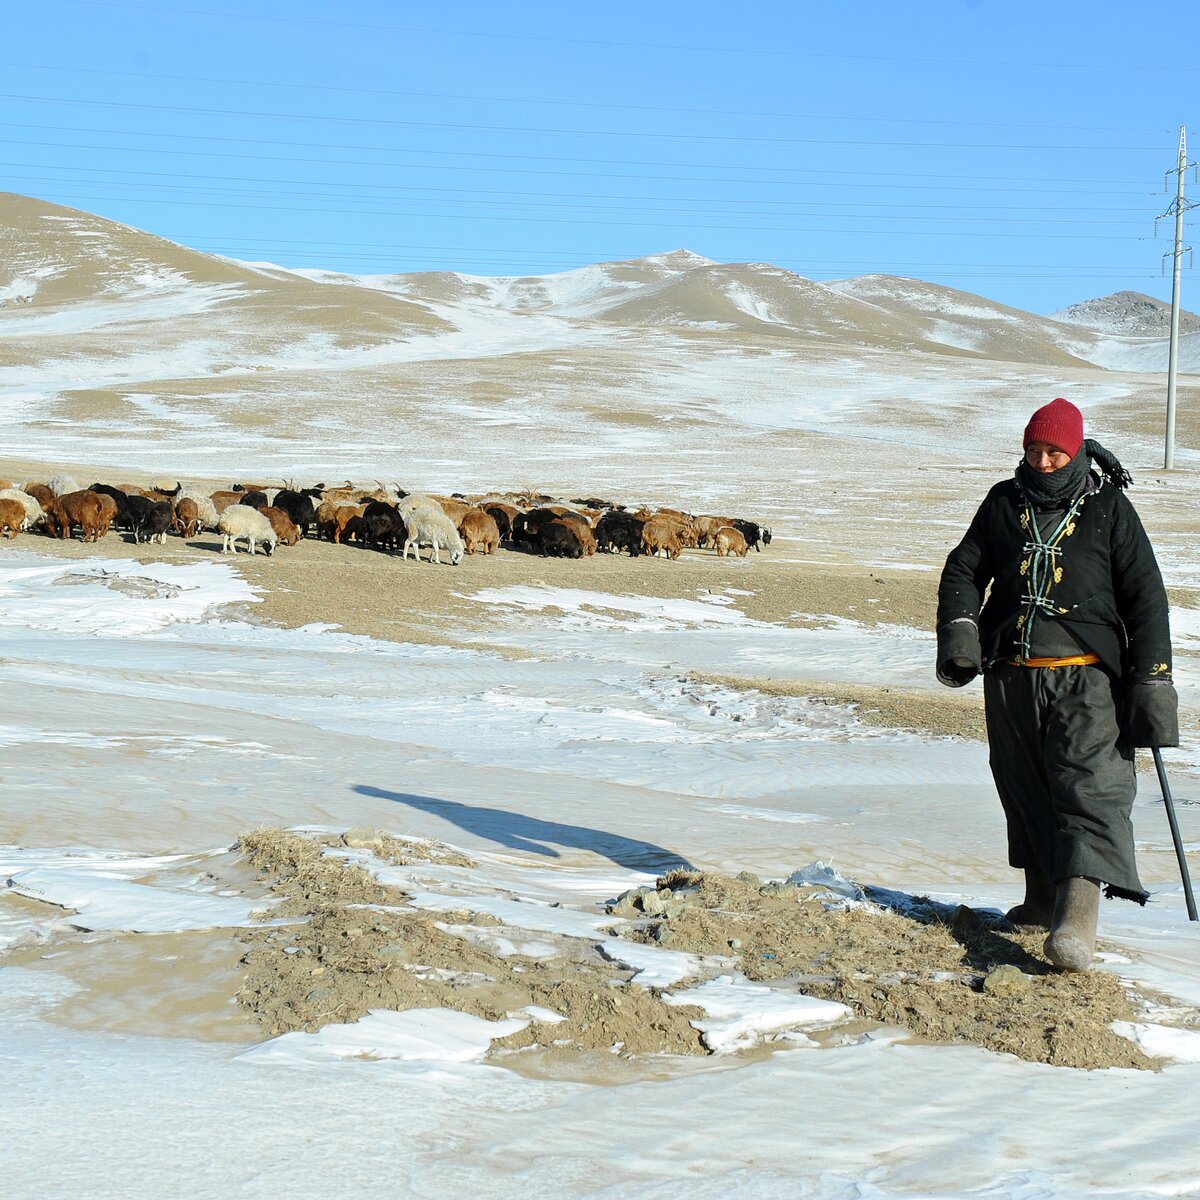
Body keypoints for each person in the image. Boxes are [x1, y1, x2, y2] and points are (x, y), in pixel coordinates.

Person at [936, 397, 1179, 972]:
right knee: (1024, 788)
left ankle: (1077, 921)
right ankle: (1040, 900)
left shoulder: (1110, 510)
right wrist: (962, 631)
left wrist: (1151, 681)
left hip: (1086, 681)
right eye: (1033, 449)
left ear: (1075, 451)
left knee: (1088, 790)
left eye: (1054, 451)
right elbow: (964, 569)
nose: (1042, 461)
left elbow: (1146, 598)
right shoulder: (1003, 502)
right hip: (1014, 679)